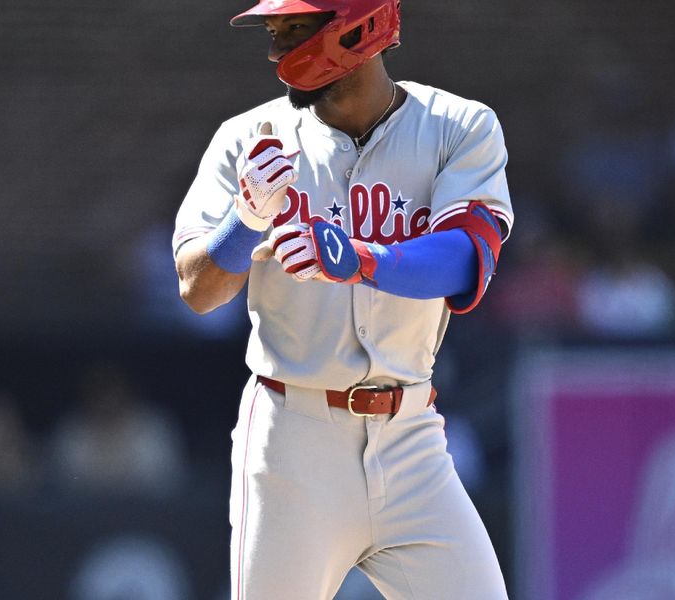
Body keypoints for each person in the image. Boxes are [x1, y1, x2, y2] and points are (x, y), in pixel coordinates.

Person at [173, 1, 513, 598]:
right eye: (275, 32)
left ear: (362, 22)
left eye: (296, 29)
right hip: (293, 437)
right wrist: (245, 220)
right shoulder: (250, 139)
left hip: (412, 438)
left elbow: (466, 260)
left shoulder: (458, 126)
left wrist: (360, 258)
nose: (278, 52)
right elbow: (197, 290)